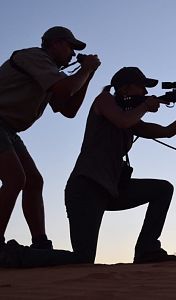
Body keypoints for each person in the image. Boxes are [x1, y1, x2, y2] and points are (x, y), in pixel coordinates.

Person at [64, 67, 176, 264]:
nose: (145, 92)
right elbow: (122, 121)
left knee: (162, 189)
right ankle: (18, 255)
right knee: (82, 259)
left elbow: (167, 131)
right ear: (125, 89)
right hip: (87, 188)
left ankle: (147, 250)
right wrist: (145, 106)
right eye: (141, 87)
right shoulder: (104, 99)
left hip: (111, 189)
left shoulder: (129, 117)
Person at [0, 26, 101, 252]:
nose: (73, 54)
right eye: (70, 47)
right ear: (55, 43)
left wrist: (88, 74)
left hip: (8, 129)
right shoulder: (35, 57)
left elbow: (69, 109)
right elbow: (65, 90)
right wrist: (84, 70)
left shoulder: (51, 73)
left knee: (33, 181)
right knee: (15, 178)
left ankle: (40, 243)